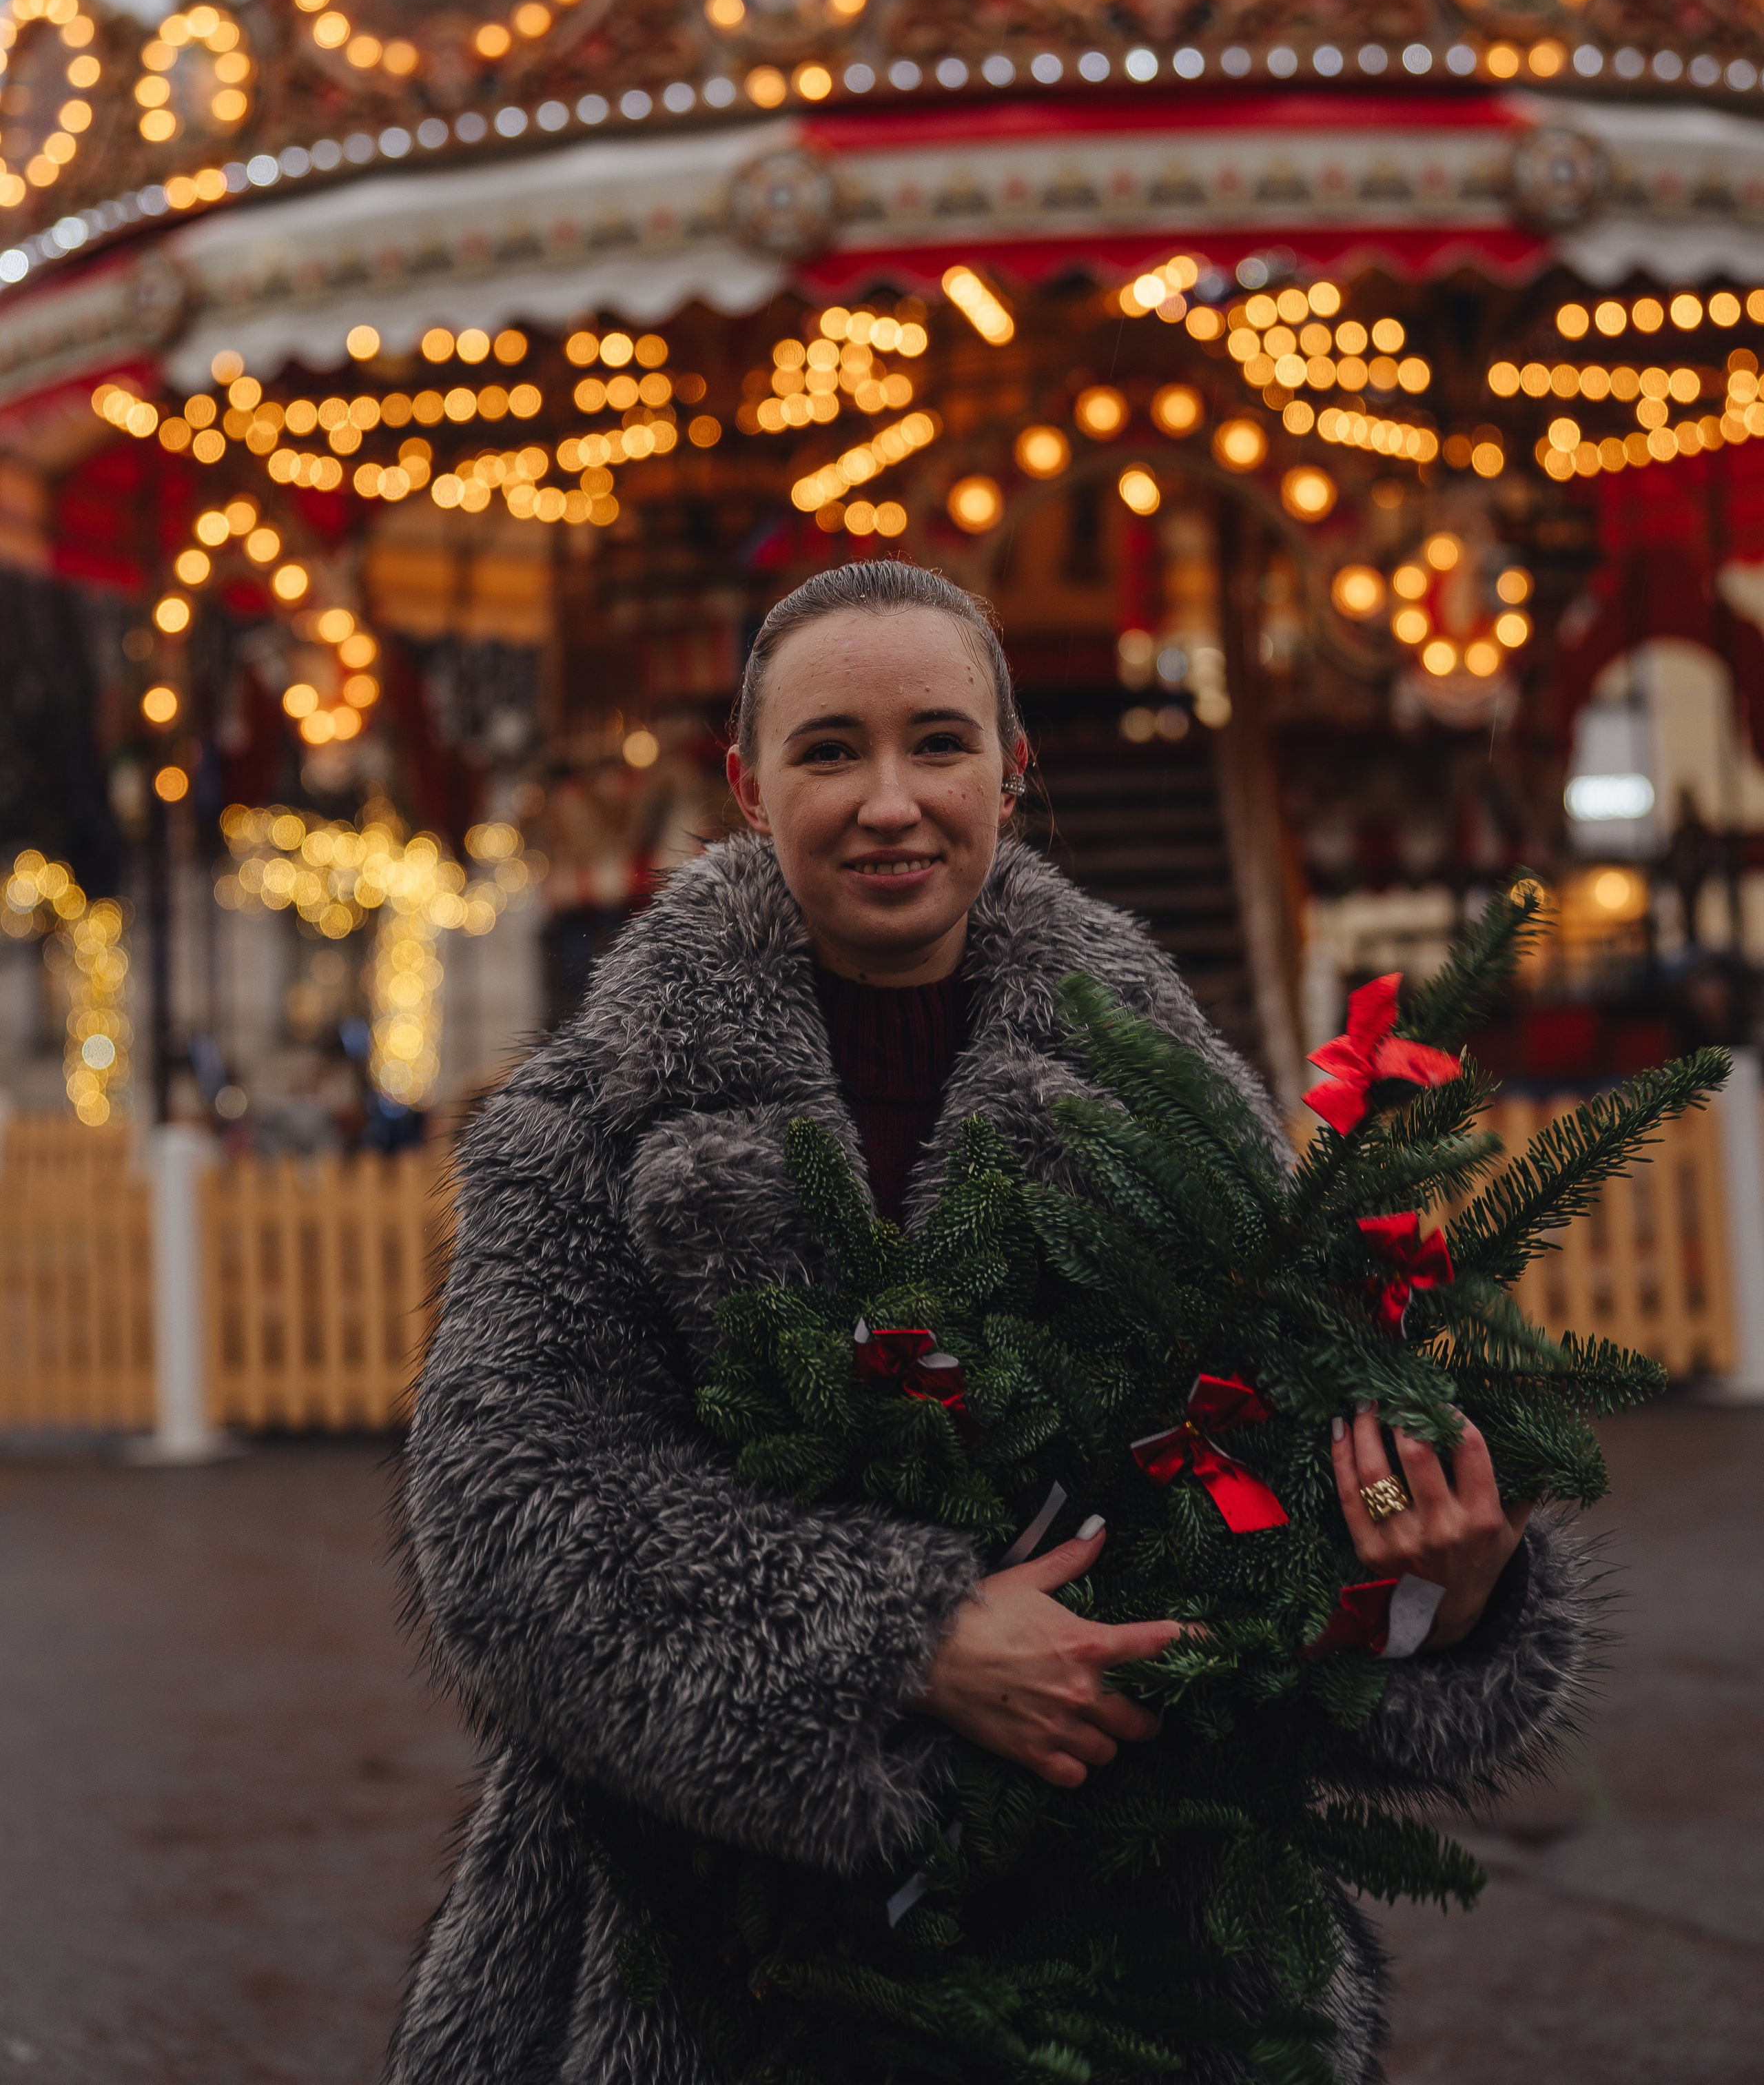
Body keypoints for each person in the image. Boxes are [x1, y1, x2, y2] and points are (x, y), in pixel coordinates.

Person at [390, 559, 1591, 2085]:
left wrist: (1439, 1599)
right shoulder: (588, 1129)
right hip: (712, 1973)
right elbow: (509, 1528)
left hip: (1134, 1970)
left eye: (936, 743)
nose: (888, 799)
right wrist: (902, 1645)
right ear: (748, 789)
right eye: (829, 750)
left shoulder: (1168, 1105)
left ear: (1009, 777)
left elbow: (1276, 1488)